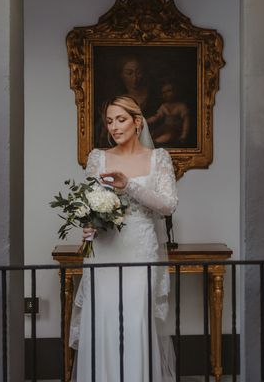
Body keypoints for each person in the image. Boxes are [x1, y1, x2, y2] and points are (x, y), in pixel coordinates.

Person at [70, 95, 178, 381]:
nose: (114, 127)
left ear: (137, 122)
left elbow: (168, 204)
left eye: (121, 119)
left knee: (135, 320)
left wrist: (128, 185)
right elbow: (91, 202)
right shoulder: (98, 157)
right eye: (109, 121)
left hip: (140, 249)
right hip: (105, 248)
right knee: (102, 317)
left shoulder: (159, 158)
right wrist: (89, 224)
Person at [147, 81, 190, 145]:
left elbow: (186, 122)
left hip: (175, 130)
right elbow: (157, 117)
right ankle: (151, 141)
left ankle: (155, 142)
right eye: (163, 92)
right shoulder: (164, 106)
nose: (165, 94)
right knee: (154, 133)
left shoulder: (181, 106)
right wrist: (146, 121)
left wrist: (184, 135)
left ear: (175, 91)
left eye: (168, 91)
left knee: (168, 136)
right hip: (164, 127)